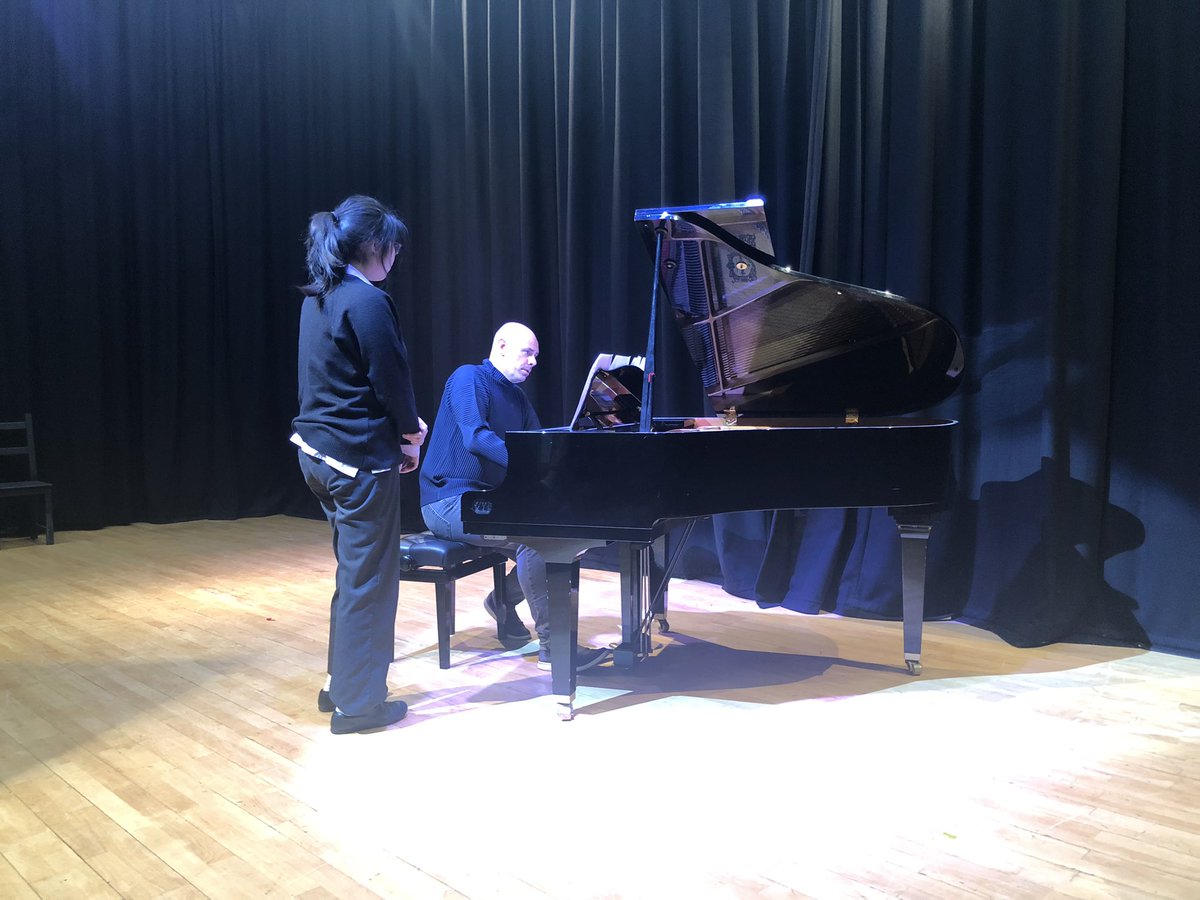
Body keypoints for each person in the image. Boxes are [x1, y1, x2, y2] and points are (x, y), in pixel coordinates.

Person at [292, 194, 427, 734]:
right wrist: (412, 436)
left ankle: (340, 684)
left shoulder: (320, 296)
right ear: (376, 246)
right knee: (371, 581)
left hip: (317, 455)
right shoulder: (367, 300)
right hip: (357, 462)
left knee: (355, 577)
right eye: (393, 246)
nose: (396, 256)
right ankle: (360, 706)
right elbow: (391, 379)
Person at [419, 322, 608, 671]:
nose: (534, 361)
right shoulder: (469, 378)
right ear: (502, 346)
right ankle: (555, 648)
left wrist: (566, 472)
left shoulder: (518, 397)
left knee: (566, 535)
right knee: (535, 543)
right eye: (528, 352)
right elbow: (475, 436)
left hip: (489, 499)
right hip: (448, 499)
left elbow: (538, 448)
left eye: (536, 355)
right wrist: (530, 470)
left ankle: (503, 601)